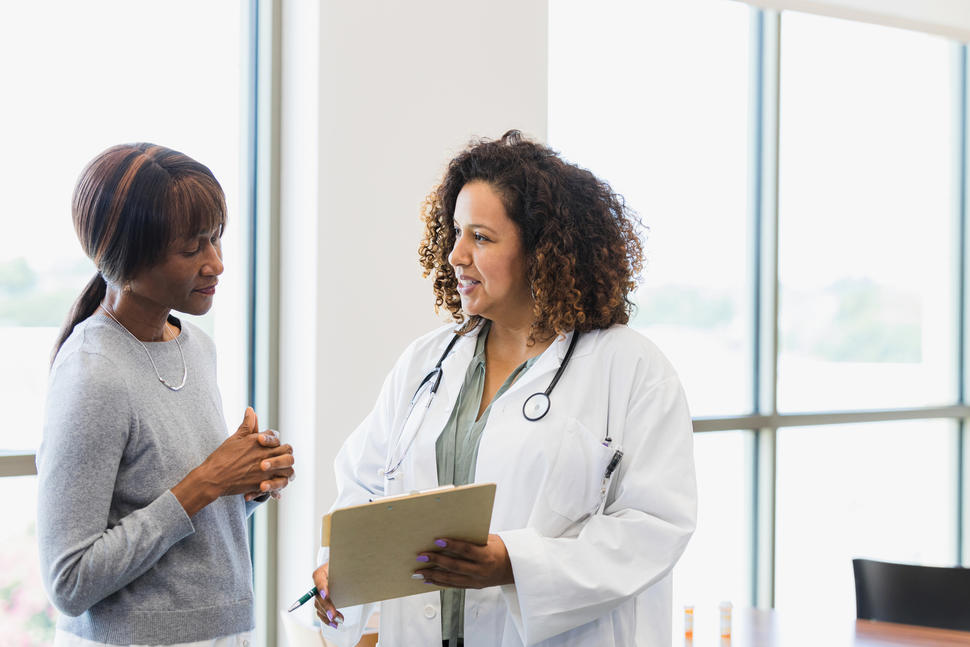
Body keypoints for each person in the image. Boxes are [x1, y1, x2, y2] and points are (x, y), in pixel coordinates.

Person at [312, 131, 696, 647]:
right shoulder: (428, 363)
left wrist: (513, 565)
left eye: (482, 238)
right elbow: (364, 483)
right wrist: (341, 563)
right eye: (455, 233)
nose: (456, 255)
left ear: (541, 251)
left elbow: (654, 526)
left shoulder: (629, 368)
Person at [37, 143, 295, 646]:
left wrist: (244, 485)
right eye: (193, 247)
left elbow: (177, 524)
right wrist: (205, 481)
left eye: (216, 239)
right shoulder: (93, 373)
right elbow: (69, 581)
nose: (216, 263)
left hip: (223, 633)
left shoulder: (197, 348)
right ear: (130, 257)